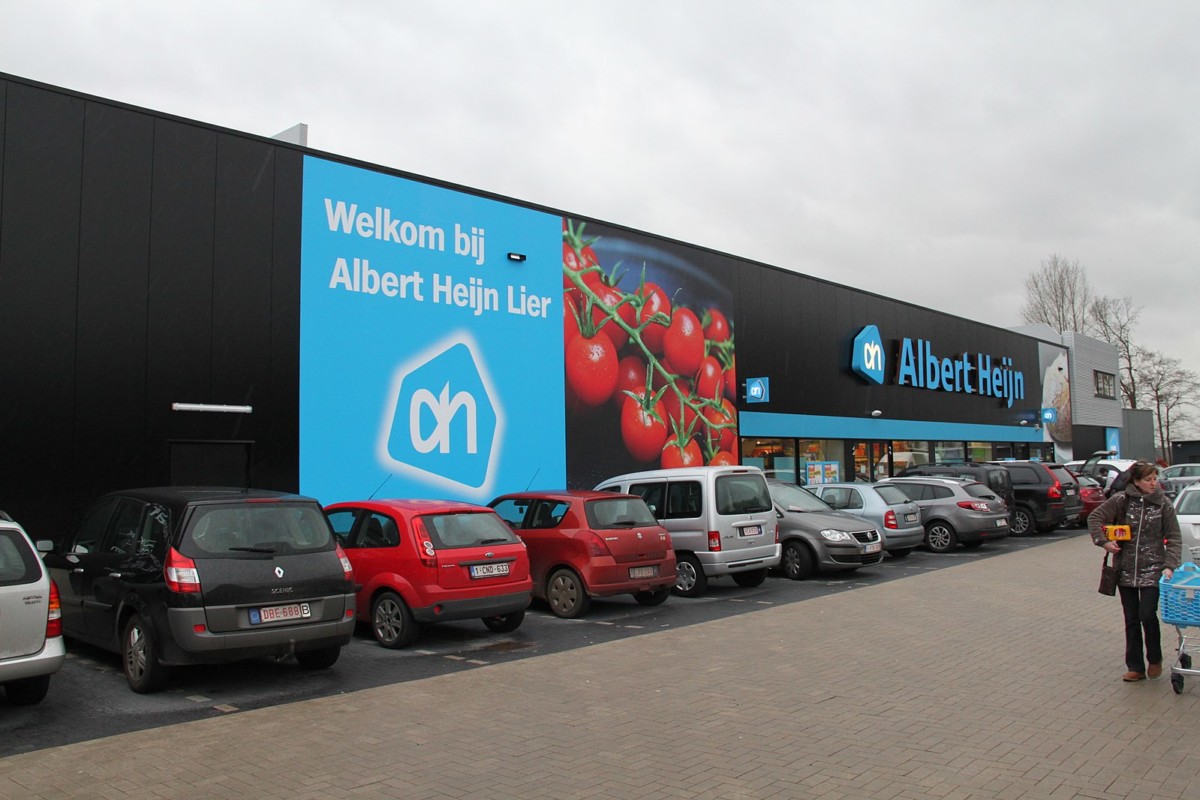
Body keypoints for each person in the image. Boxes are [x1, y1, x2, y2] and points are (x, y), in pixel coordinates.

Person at [1088, 461, 1182, 682]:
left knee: (1147, 614)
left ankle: (1155, 659)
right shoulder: (1121, 500)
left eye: (1155, 479)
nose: (1153, 483)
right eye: (1148, 479)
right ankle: (1135, 666)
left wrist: (1169, 565)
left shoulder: (1163, 504)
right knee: (1131, 618)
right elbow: (1095, 518)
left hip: (1153, 569)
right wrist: (1104, 542)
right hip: (1126, 569)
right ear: (1136, 481)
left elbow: (1175, 537)